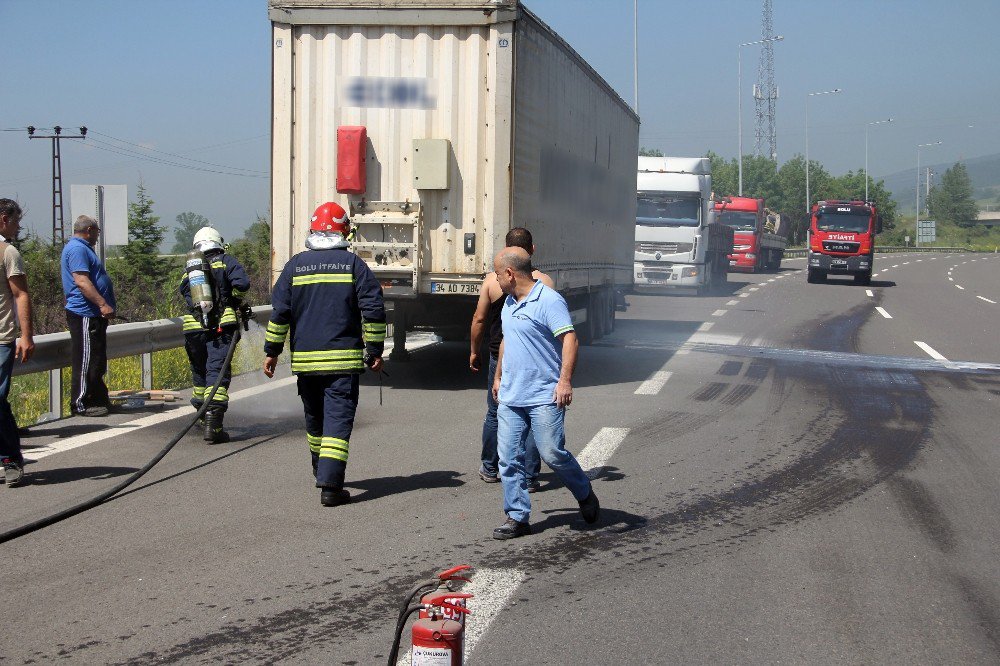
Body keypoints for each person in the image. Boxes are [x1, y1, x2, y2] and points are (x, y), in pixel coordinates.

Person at [263, 202, 386, 507]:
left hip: (306, 363)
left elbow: (279, 314)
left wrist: (272, 351)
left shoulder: (295, 266)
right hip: (342, 362)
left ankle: (320, 469)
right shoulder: (354, 265)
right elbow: (373, 311)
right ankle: (331, 486)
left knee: (315, 418)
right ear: (345, 231)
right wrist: (374, 351)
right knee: (337, 421)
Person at [491, 247, 599, 539]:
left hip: (543, 395)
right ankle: (517, 517)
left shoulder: (548, 300)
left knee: (552, 452)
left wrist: (564, 381)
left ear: (511, 274)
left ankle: (584, 492)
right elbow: (506, 340)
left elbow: (570, 340)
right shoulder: (509, 302)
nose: (496, 280)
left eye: (498, 274)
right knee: (508, 459)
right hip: (512, 396)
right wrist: (498, 375)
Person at [469, 227, 551, 489]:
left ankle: (490, 467)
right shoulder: (545, 282)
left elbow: (480, 319)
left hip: (498, 355)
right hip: (534, 358)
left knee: (495, 413)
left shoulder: (492, 282)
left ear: (506, 250)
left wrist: (474, 350)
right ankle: (528, 476)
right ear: (532, 250)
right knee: (532, 414)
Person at [179, 227, 251, 443]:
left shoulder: (191, 269)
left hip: (193, 328)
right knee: (217, 371)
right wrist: (232, 301)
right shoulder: (226, 261)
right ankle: (215, 423)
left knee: (199, 372)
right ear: (218, 243)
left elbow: (184, 292)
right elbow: (242, 284)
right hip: (220, 327)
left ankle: (202, 417)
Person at [60, 215, 116, 417]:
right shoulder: (77, 249)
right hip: (84, 312)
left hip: (93, 314)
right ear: (90, 230)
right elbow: (82, 281)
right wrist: (102, 303)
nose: (97, 235)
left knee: (97, 359)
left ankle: (98, 398)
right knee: (85, 360)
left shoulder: (84, 249)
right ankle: (80, 403)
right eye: (97, 231)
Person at [0, 199, 33, 486]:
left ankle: (10, 458)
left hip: (1, 338)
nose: (18, 226)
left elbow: (21, 295)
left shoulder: (8, 252)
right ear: (3, 220)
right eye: (16, 221)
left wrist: (26, 335)